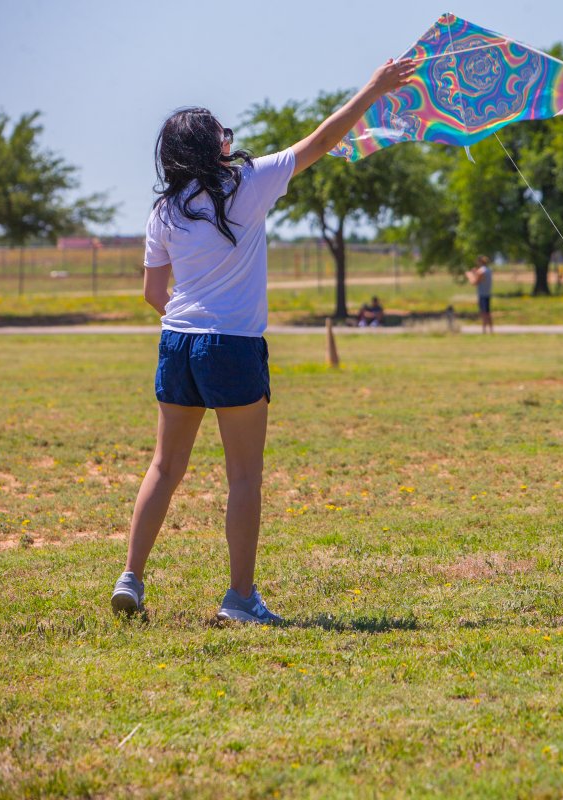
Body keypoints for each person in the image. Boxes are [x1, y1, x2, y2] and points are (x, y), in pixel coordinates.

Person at [110, 58, 416, 624]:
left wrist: (190, 319)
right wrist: (374, 87)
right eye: (222, 134)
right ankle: (240, 599)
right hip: (232, 346)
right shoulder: (248, 183)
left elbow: (153, 292)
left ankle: (131, 578)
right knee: (244, 476)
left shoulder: (163, 210)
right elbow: (323, 139)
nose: (230, 140)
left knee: (164, 467)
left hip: (176, 343)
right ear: (212, 148)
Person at [468, 255, 493, 333]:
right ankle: (491, 330)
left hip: (482, 294)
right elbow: (482, 279)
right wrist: (475, 273)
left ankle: (484, 331)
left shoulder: (481, 271)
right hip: (487, 294)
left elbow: (474, 282)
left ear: (480, 262)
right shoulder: (488, 270)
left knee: (484, 313)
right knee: (488, 312)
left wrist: (470, 275)